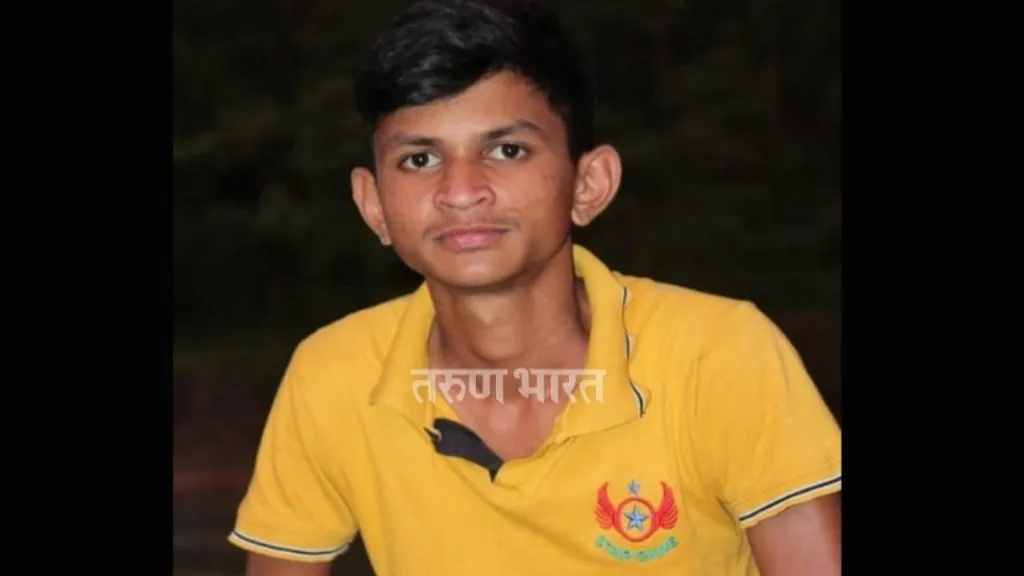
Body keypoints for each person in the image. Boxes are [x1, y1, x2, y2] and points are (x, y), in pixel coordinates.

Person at [226, 0, 842, 574]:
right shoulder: (334, 375)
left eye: (507, 150)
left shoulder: (718, 354)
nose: (461, 191)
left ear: (588, 184)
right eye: (420, 159)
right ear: (374, 204)